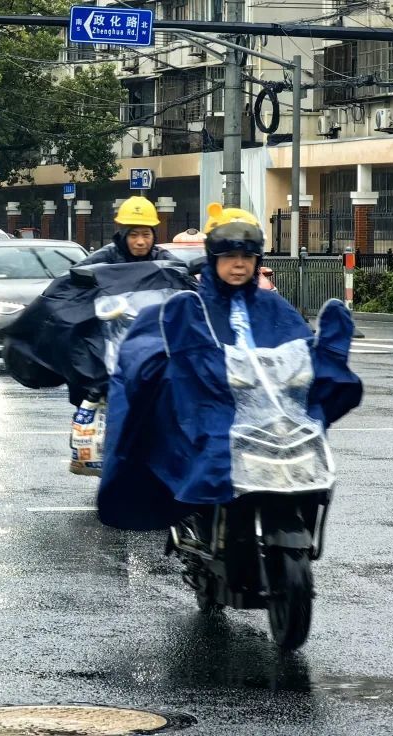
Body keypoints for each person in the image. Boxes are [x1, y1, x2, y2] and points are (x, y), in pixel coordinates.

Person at [96, 204, 362, 530]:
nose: (239, 265)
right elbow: (145, 352)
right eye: (229, 256)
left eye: (247, 257)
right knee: (207, 448)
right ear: (213, 258)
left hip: (274, 421)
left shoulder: (275, 307)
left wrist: (328, 355)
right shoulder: (189, 306)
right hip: (213, 413)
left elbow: (302, 351)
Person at [76, 196, 175, 266]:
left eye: (146, 235)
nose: (140, 242)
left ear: (153, 236)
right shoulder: (105, 258)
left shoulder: (163, 260)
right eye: (133, 235)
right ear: (123, 236)